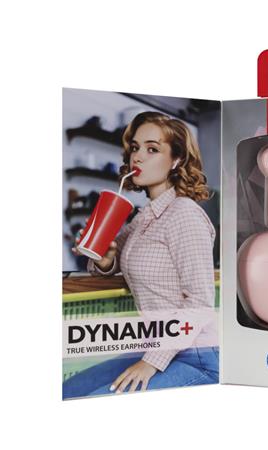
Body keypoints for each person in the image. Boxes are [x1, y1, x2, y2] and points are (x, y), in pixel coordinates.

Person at [63, 111, 218, 398]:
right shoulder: (142, 218)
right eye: (135, 147)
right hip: (152, 345)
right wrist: (104, 259)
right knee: (68, 391)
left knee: (97, 401)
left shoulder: (184, 215)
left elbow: (200, 303)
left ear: (176, 160)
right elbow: (112, 262)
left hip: (196, 355)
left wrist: (151, 363)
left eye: (152, 149)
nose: (138, 157)